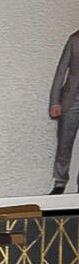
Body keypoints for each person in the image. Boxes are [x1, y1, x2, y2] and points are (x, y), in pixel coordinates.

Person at [51, 28, 79, 193]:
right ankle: (60, 182)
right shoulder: (74, 39)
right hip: (71, 99)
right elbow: (60, 71)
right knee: (64, 143)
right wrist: (55, 101)